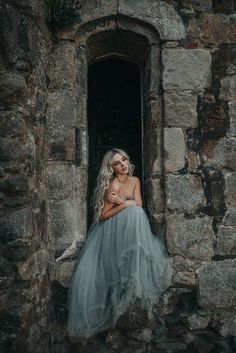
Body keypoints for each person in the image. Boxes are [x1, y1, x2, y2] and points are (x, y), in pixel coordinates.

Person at [66, 148, 172, 339]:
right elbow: (103, 215)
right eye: (117, 163)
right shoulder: (113, 186)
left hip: (130, 224)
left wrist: (123, 201)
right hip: (111, 226)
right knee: (134, 213)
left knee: (137, 213)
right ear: (111, 168)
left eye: (124, 160)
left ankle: (136, 255)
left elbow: (138, 204)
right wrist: (123, 204)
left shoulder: (135, 180)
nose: (123, 165)